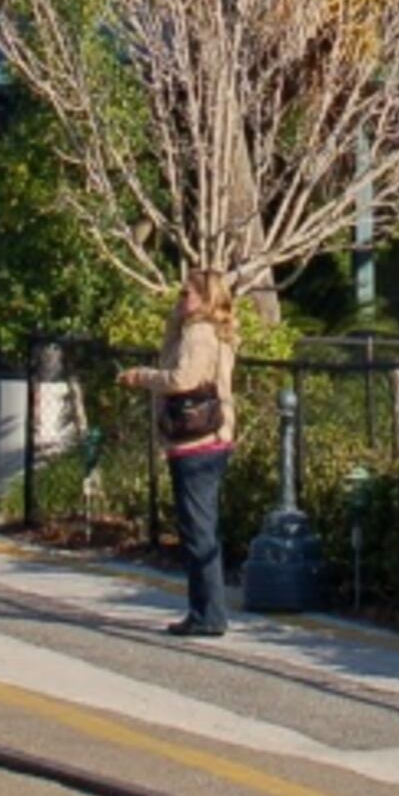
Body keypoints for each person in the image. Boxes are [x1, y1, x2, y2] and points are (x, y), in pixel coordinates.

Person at [121, 267, 239, 639]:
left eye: (186, 294)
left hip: (196, 440)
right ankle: (204, 609)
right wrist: (175, 320)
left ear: (204, 299)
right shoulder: (209, 331)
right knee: (200, 526)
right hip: (209, 438)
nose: (179, 300)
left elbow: (183, 379)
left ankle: (209, 613)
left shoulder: (199, 334)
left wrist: (143, 377)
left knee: (198, 529)